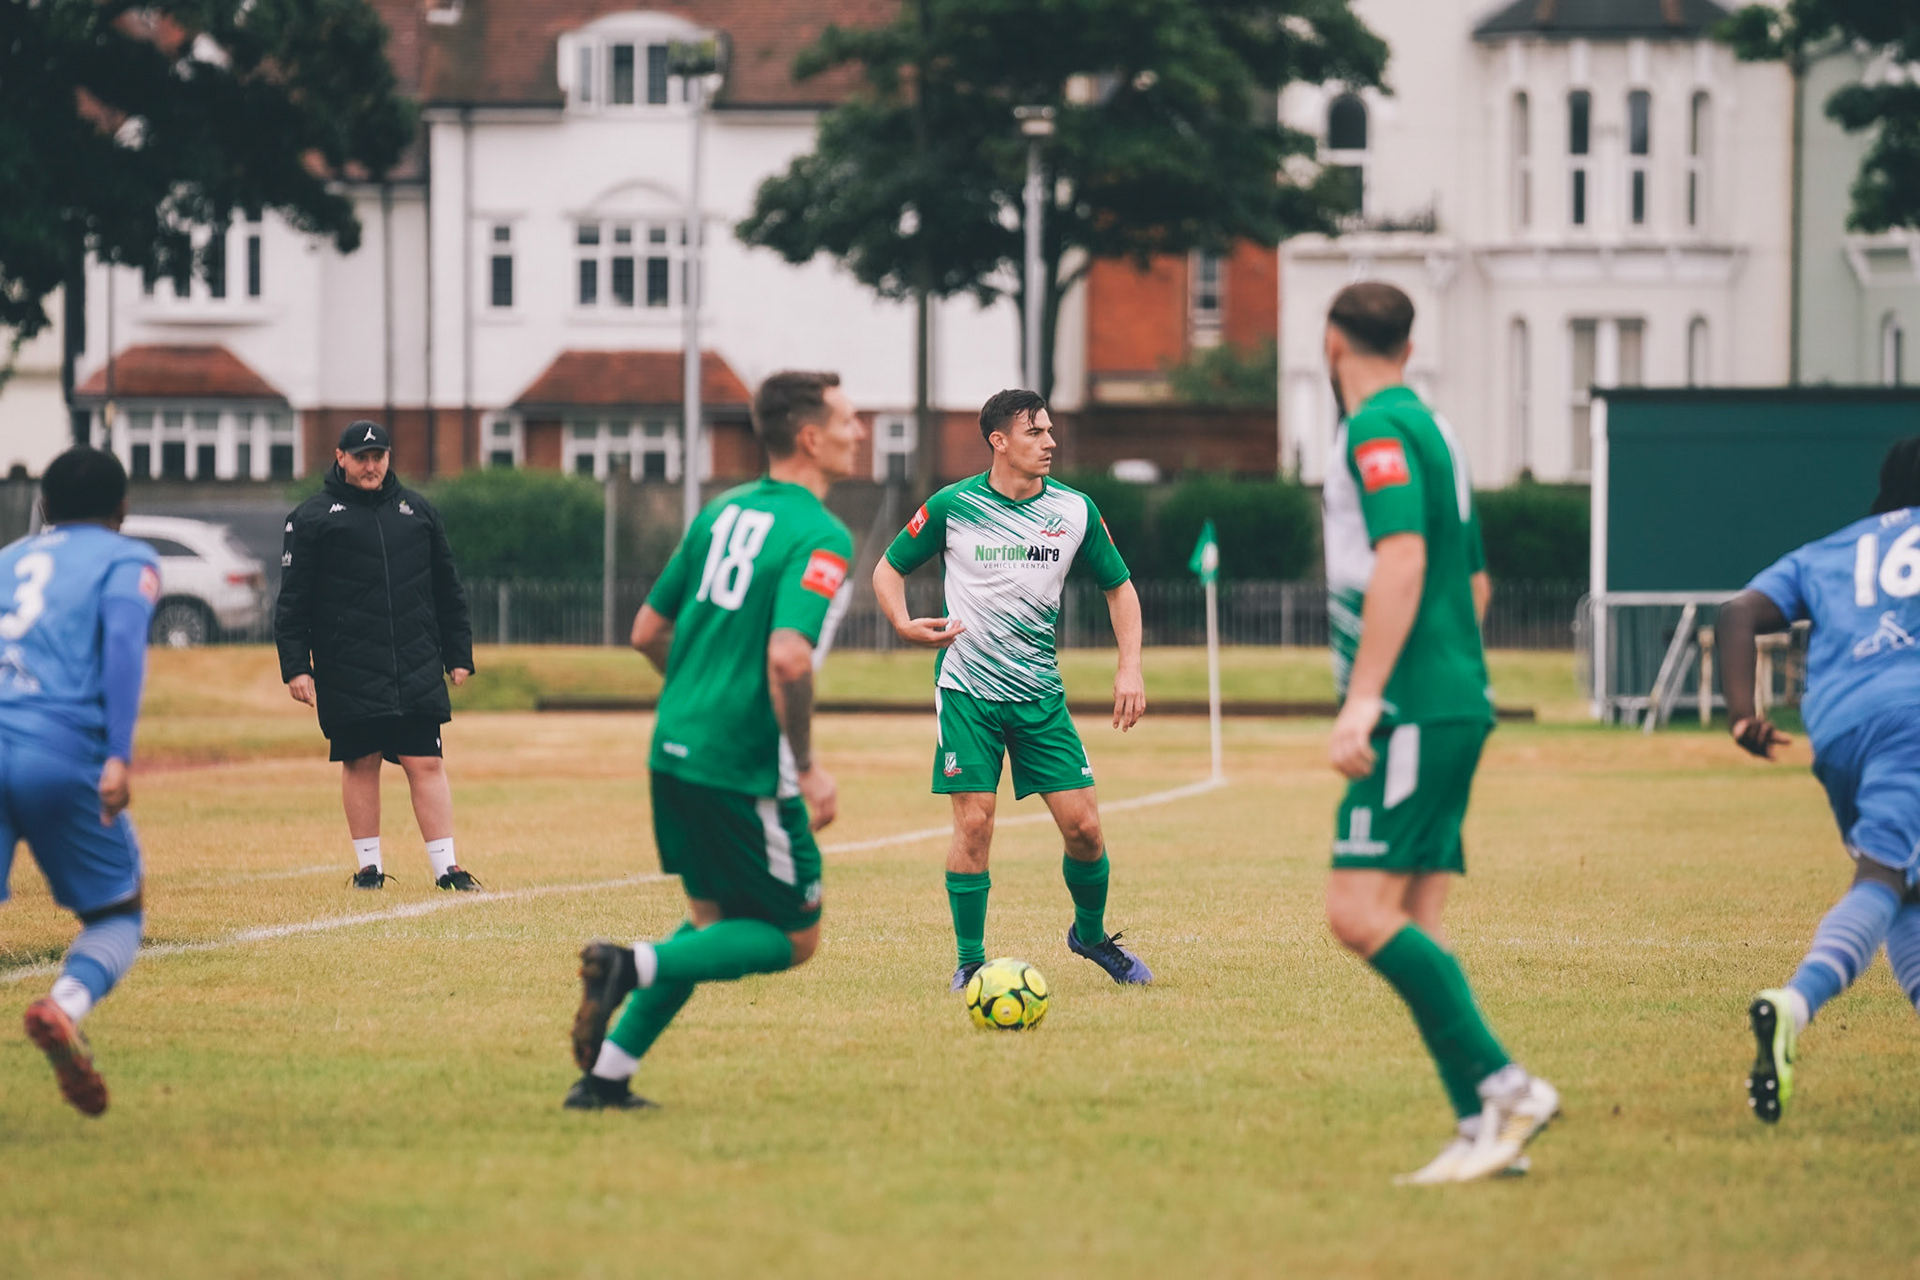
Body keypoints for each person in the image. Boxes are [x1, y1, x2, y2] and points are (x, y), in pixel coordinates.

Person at [565, 371, 862, 1110]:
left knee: (712, 923)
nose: (860, 432)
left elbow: (646, 631)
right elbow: (789, 657)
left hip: (673, 746)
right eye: (849, 421)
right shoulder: (821, 533)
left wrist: (702, 692)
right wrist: (808, 767)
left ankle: (606, 1079)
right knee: (794, 937)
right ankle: (632, 965)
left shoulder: (721, 511)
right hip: (743, 763)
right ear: (810, 437)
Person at [1318, 281, 1558, 1185]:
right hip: (1453, 694)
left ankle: (1509, 1086)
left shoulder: (1374, 427)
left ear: (1332, 344)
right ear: (1409, 349)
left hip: (1412, 705)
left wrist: (1367, 697)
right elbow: (1477, 581)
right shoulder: (1439, 431)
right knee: (1415, 918)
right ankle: (1480, 1128)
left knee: (1356, 912)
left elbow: (1406, 556)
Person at [872, 389, 1151, 993]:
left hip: (1039, 696)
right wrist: (902, 622)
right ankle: (970, 962)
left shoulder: (1075, 511)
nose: (1050, 442)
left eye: (1049, 430)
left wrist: (1129, 666)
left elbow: (1120, 588)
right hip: (967, 691)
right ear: (999, 441)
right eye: (1035, 432)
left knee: (1085, 829)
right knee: (975, 824)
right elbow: (888, 568)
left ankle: (1090, 935)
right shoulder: (953, 505)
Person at [1717, 436, 1920, 1124]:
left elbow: (1738, 612)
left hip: (1840, 728)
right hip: (1911, 717)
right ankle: (1794, 1004)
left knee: (1906, 887)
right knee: (1885, 878)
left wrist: (1743, 715)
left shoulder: (1833, 549)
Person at [1, 447, 159, 1116]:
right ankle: (64, 1006)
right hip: (58, 748)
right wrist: (117, 756)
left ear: (43, 506)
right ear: (122, 508)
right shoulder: (127, 559)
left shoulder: (7, 560)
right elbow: (122, 647)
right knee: (117, 912)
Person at [275, 421, 479, 890]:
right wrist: (296, 667)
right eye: (361, 457)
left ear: (389, 457)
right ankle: (369, 869)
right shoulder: (311, 518)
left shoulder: (419, 512)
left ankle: (447, 869)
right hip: (347, 665)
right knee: (361, 760)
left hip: (415, 662)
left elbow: (448, 589)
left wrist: (458, 653)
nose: (371, 466)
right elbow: (292, 602)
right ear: (340, 457)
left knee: (426, 762)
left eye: (378, 457)